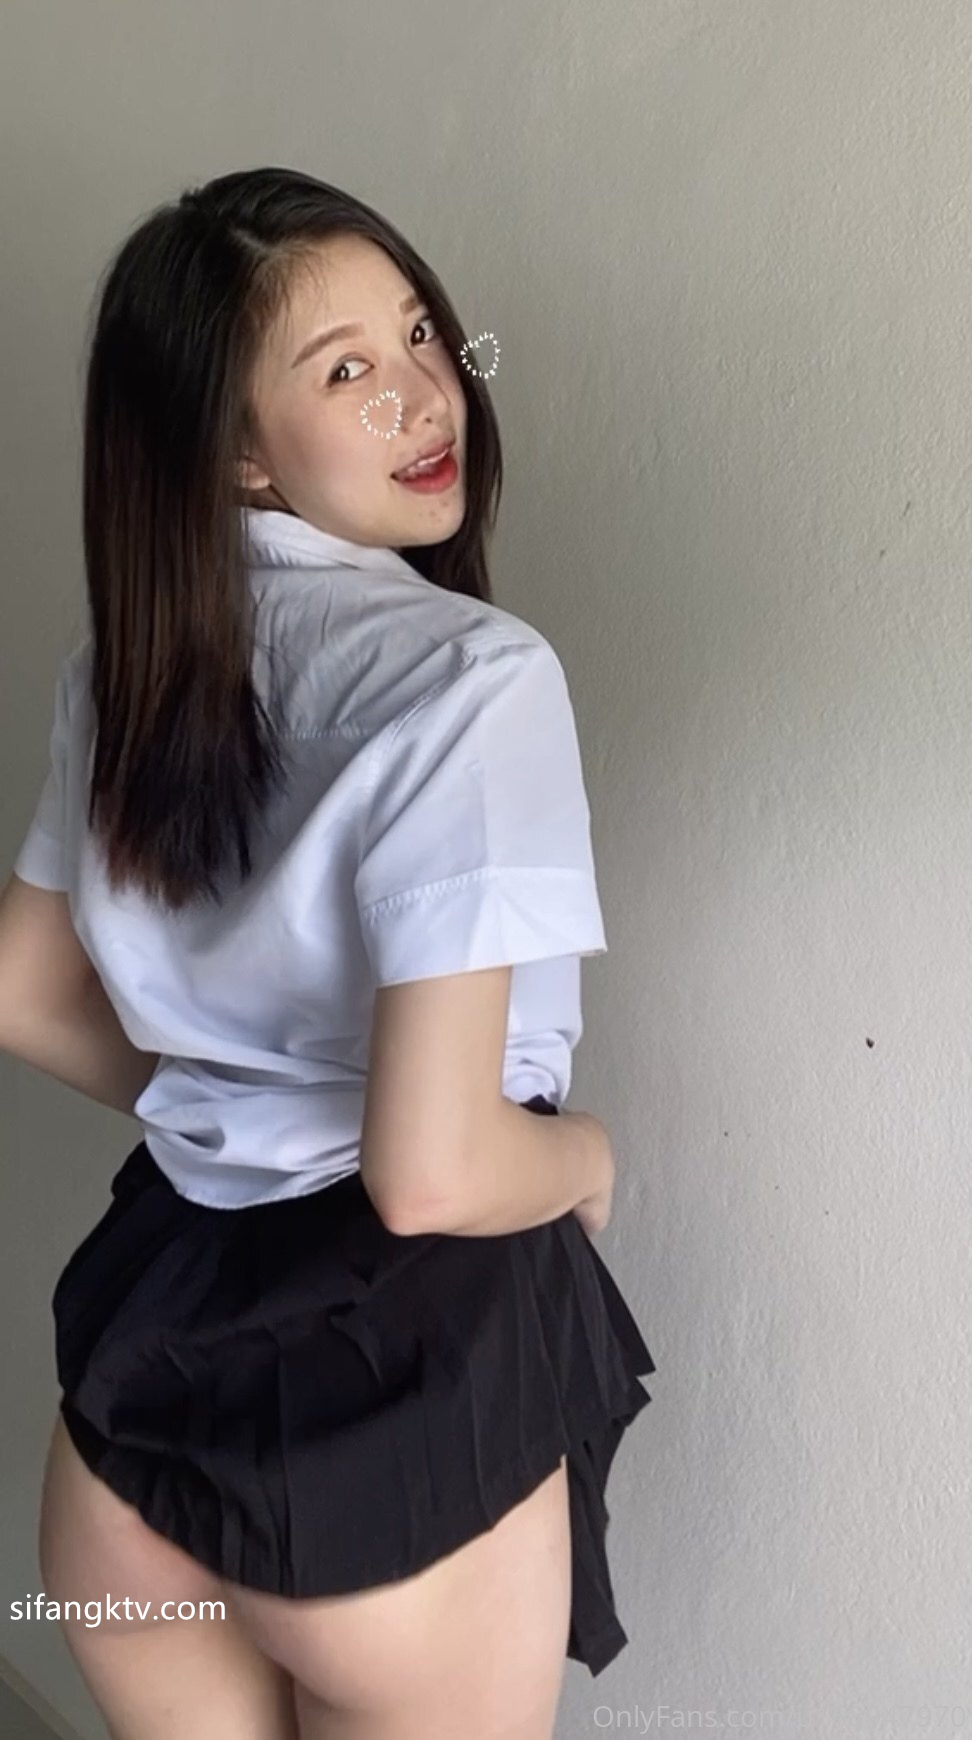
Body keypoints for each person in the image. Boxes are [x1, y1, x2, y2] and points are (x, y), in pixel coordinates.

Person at [5, 165, 656, 1740]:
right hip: (391, 1415)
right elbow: (430, 1176)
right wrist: (585, 1159)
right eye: (345, 369)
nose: (424, 395)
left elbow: (22, 992)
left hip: (132, 1424)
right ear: (237, 453)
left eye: (422, 334)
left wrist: (237, 1100)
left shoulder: (123, 666)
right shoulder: (474, 679)